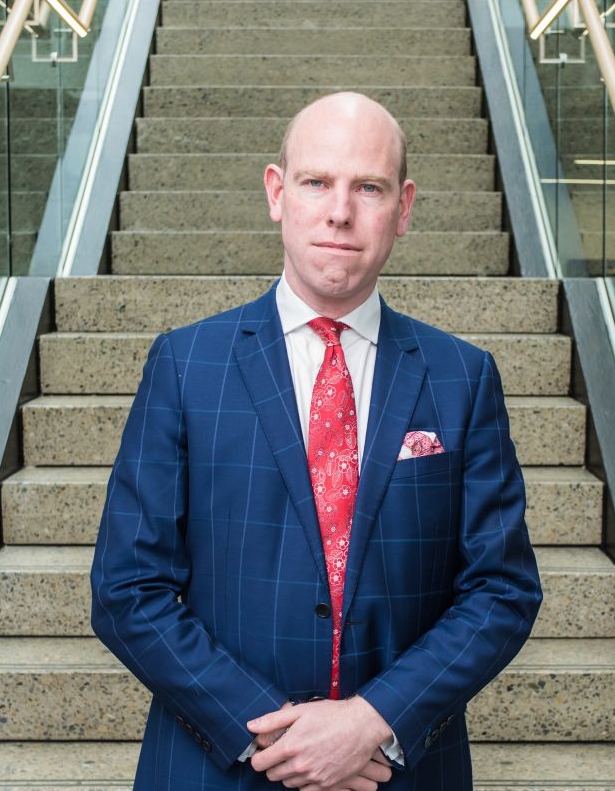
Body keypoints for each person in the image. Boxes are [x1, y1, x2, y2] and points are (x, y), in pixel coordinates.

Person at [91, 91, 541, 790]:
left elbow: (502, 590)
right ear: (277, 193)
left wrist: (371, 721)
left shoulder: (463, 377)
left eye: (368, 187)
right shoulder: (185, 365)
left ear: (405, 207)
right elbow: (126, 589)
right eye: (316, 182)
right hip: (218, 767)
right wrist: (279, 735)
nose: (340, 211)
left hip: (396, 771)